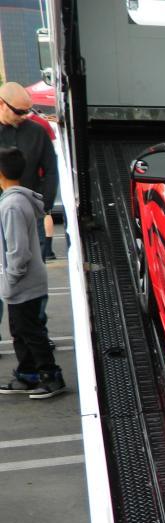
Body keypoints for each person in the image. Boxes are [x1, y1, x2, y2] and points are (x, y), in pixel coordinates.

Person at [0, 147, 65, 398]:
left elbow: (18, 251)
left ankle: (51, 376)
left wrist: (11, 280)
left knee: (32, 331)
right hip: (23, 281)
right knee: (20, 330)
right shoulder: (14, 200)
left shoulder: (13, 205)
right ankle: (28, 374)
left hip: (24, 282)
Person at [0, 83, 57, 263]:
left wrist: (43, 204)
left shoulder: (37, 131)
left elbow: (51, 170)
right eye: (19, 111)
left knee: (35, 265)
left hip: (31, 211)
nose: (24, 116)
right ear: (1, 104)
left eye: (27, 111)